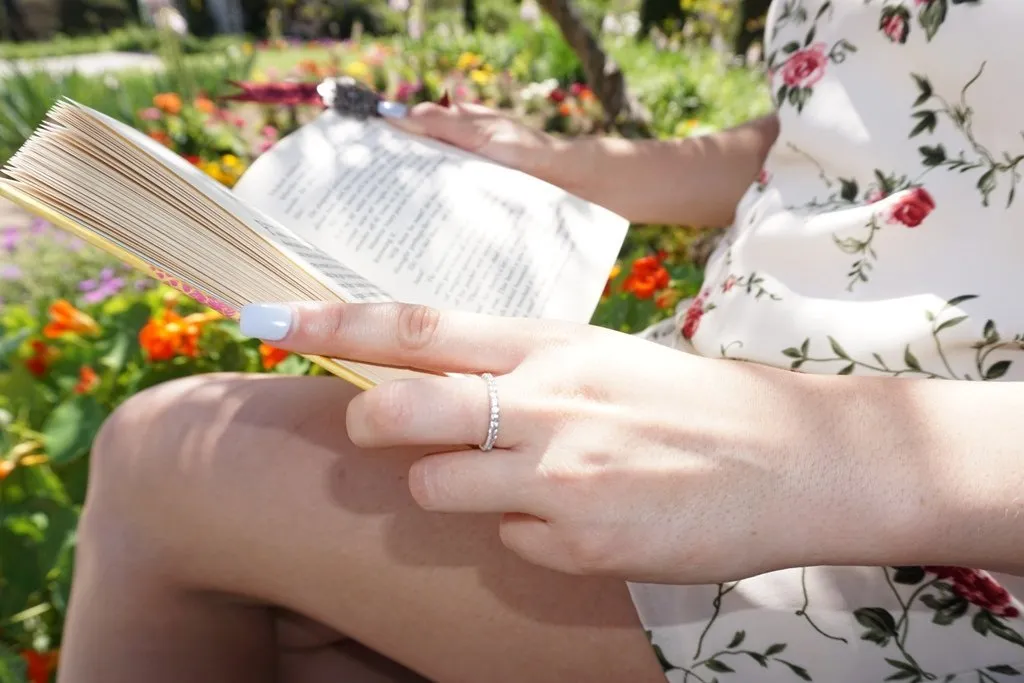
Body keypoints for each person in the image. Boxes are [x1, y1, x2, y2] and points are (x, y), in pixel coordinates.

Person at [58, 0, 1024, 680]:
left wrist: (814, 456)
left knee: (166, 463)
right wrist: (560, 165)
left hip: (941, 525)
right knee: (323, 629)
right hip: (715, 393)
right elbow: (849, 131)